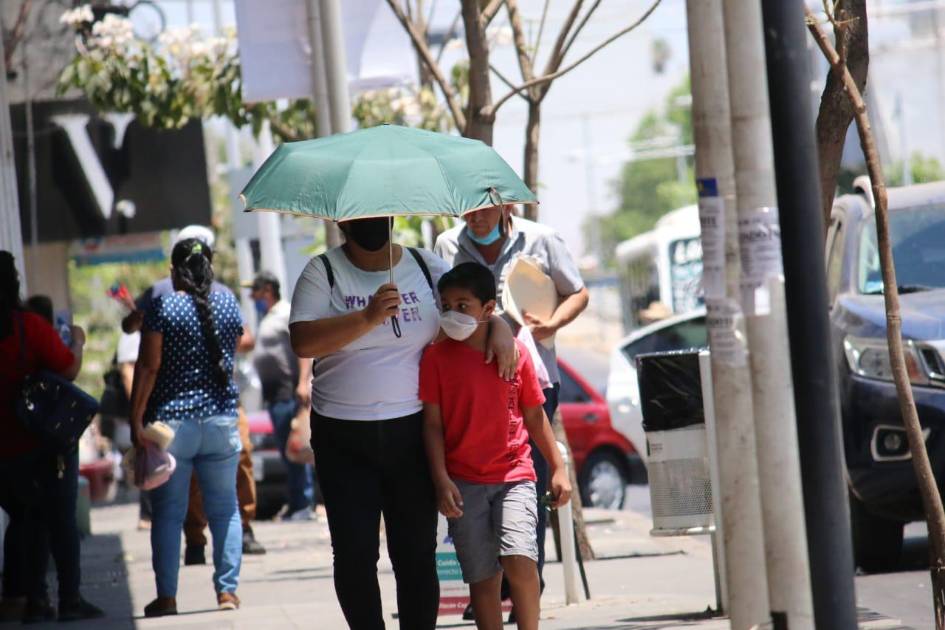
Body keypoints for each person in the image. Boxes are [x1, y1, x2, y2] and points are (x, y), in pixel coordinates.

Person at [289, 216, 518, 629]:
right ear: (342, 221)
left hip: (412, 432)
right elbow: (303, 340)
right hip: (343, 435)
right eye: (360, 216)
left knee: (415, 552)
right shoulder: (322, 272)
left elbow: (469, 305)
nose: (372, 223)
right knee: (355, 553)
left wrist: (498, 325)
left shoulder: (425, 266)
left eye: (379, 214)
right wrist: (367, 317)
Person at [435, 206, 589, 609]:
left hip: (530, 377)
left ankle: (524, 584)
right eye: (467, 212)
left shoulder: (542, 239)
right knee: (477, 485)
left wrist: (551, 325)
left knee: (525, 484)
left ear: (504, 205)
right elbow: (444, 309)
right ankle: (490, 585)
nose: (475, 219)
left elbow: (577, 292)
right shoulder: (447, 245)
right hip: (468, 383)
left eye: (483, 210)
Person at [420, 263, 571, 630]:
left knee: (521, 561)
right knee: (483, 579)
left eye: (463, 305)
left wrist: (558, 467)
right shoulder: (435, 358)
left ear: (488, 309)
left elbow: (535, 416)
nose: (452, 314)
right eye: (445, 305)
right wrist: (441, 479)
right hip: (464, 483)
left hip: (515, 476)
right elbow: (432, 425)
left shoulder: (515, 353)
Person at [121, 225, 265, 556]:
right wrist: (142, 320)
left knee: (181, 501)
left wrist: (136, 417)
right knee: (216, 497)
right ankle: (200, 543)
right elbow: (131, 329)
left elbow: (148, 365)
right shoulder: (161, 295)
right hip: (209, 408)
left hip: (195, 407)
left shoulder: (219, 296)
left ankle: (239, 531)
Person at [128, 239, 244, 616]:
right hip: (222, 421)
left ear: (175, 272)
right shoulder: (228, 302)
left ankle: (167, 597)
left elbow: (149, 366)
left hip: (172, 426)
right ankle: (227, 592)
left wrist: (136, 418)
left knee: (168, 513)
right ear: (209, 267)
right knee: (225, 509)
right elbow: (231, 355)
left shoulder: (164, 306)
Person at [0, 254, 103, 623]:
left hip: (4, 452)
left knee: (25, 519)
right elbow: (68, 368)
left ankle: (32, 598)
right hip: (43, 443)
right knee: (59, 520)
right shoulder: (28, 327)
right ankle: (69, 599)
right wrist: (78, 341)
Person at [249, 271, 314, 520]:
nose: (252, 297)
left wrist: (303, 382)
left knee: (295, 451)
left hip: (288, 393)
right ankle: (296, 503)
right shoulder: (269, 316)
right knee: (288, 453)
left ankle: (303, 504)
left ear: (267, 290)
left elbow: (304, 348)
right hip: (274, 395)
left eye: (255, 291)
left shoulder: (286, 312)